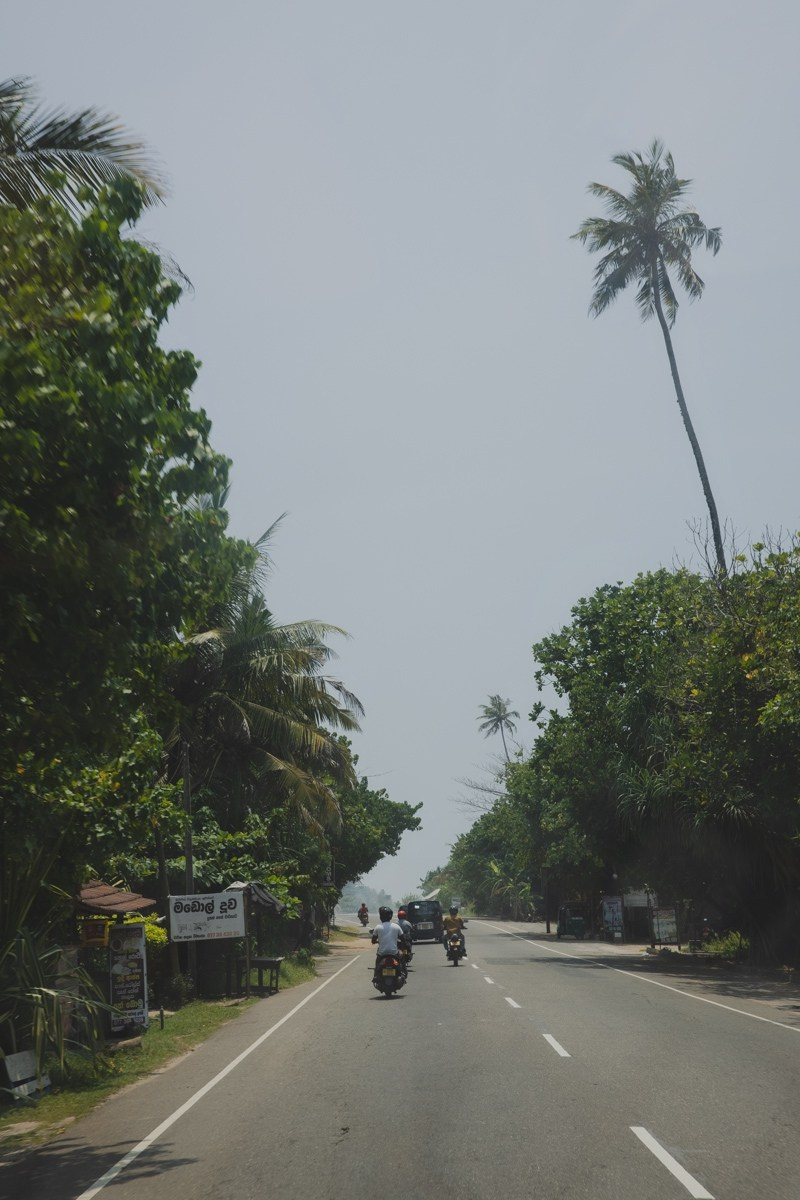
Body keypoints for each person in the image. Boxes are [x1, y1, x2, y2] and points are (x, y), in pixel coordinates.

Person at [371, 906, 408, 977]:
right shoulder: (396, 926)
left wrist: (377, 941)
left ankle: (376, 975)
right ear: (390, 916)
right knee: (402, 956)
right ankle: (403, 971)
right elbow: (403, 939)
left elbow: (373, 940)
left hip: (382, 954)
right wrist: (403, 948)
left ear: (381, 917)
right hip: (394, 953)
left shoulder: (377, 927)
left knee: (377, 963)